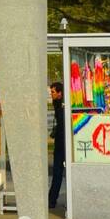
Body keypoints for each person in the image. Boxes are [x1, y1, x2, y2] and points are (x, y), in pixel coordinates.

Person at [48, 81, 65, 210]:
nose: (51, 94)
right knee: (57, 173)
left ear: (60, 93)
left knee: (58, 172)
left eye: (53, 92)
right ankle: (52, 199)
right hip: (60, 143)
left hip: (62, 144)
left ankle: (52, 200)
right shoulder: (58, 104)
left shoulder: (61, 106)